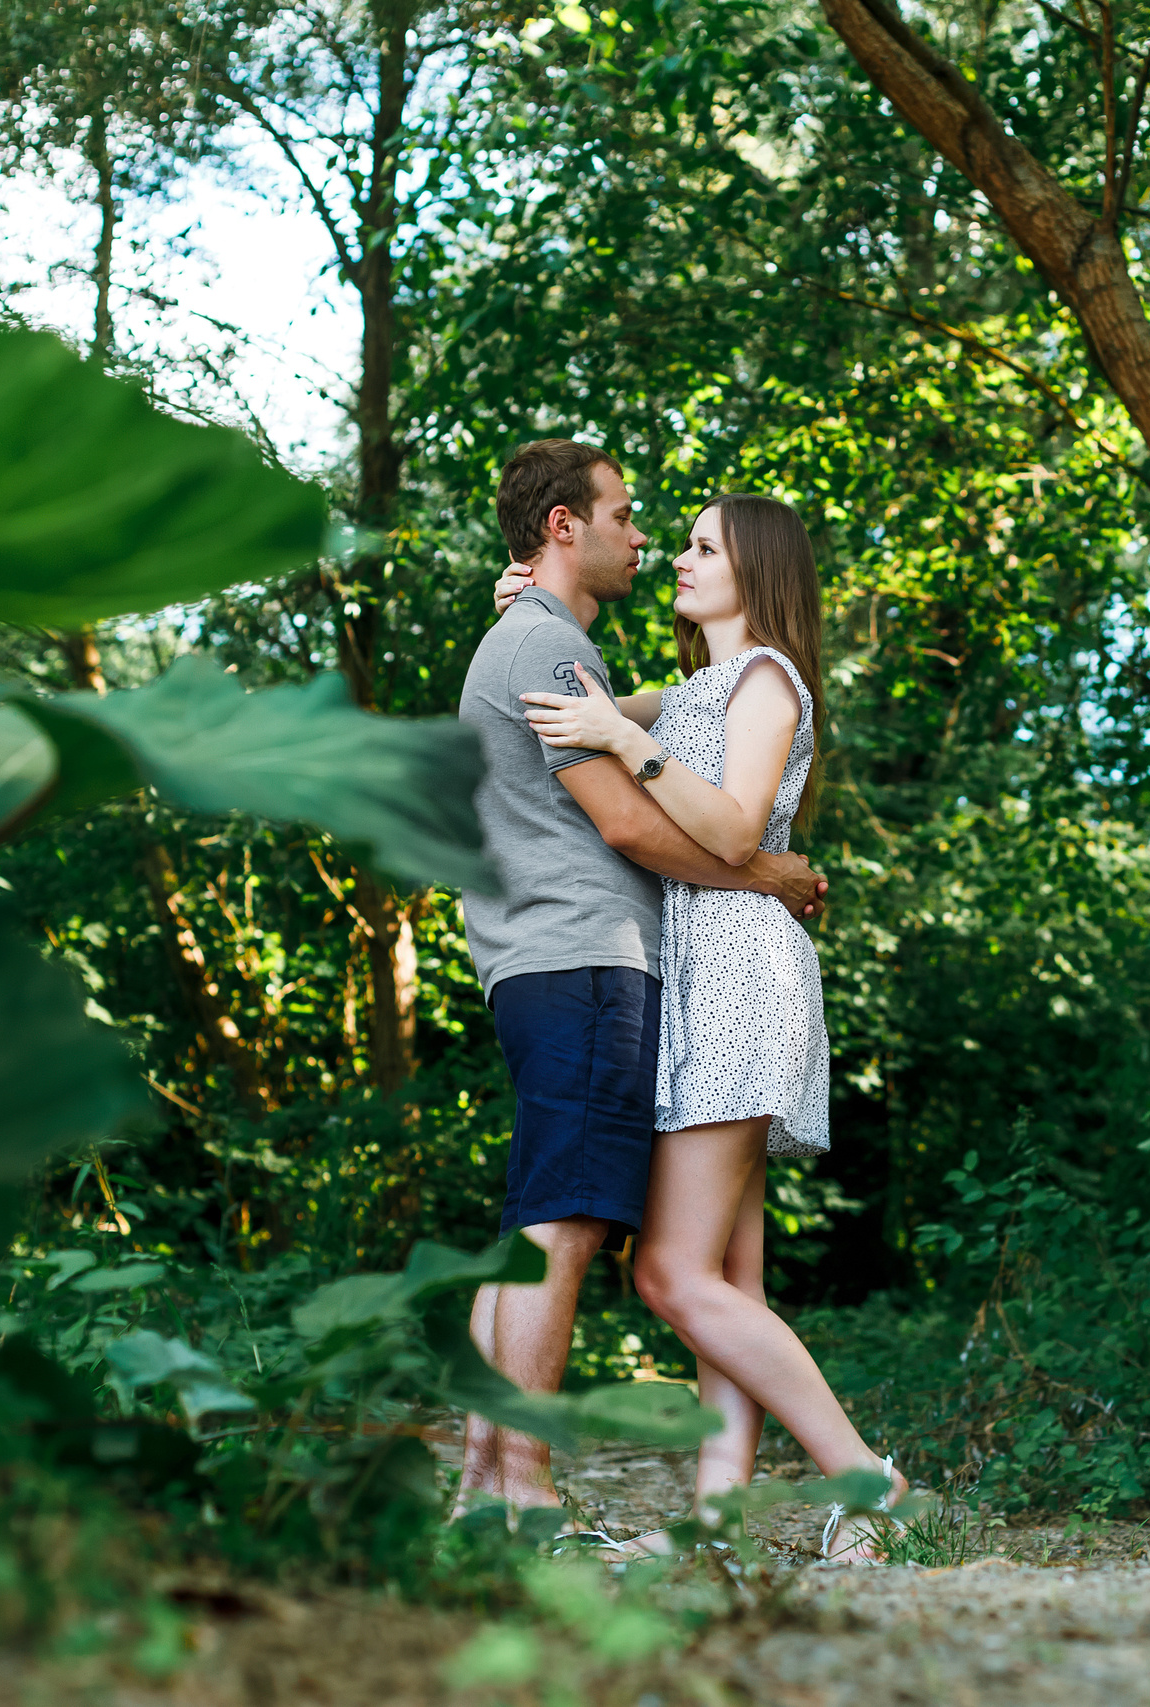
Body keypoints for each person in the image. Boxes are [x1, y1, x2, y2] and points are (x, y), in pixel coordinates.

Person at [497, 491, 909, 1561]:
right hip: (700, 979)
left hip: (738, 974)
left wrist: (616, 741)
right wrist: (526, 608)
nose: (674, 557)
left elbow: (728, 831)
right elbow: (594, 692)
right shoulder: (692, 690)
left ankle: (866, 1480)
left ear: (754, 569)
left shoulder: (768, 681)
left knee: (668, 1276)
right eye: (673, 542)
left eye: (699, 547)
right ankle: (718, 1530)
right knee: (731, 1284)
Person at [454, 441, 830, 1533]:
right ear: (566, 525)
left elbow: (653, 716)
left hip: (673, 974)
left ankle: (505, 1489)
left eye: (696, 541)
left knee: (582, 1232)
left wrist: (544, 622)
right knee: (577, 1231)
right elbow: (625, 815)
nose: (654, 541)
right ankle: (519, 1491)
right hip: (589, 957)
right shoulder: (552, 647)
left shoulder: (694, 674)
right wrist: (768, 869)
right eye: (628, 516)